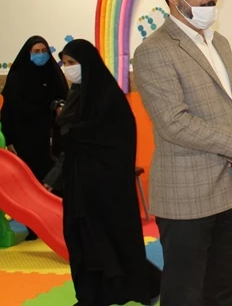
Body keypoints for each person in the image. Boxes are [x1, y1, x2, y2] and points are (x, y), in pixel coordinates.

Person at [132, 0, 232, 306]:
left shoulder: (219, 42)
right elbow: (174, 123)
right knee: (185, 294)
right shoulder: (154, 51)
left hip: (230, 190)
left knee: (222, 290)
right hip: (186, 195)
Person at [49, 39, 161, 306]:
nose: (67, 68)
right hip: (79, 184)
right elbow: (68, 139)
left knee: (110, 239)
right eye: (64, 63)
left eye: (72, 63)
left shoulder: (109, 97)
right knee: (81, 238)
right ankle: (91, 295)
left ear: (87, 63)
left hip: (105, 187)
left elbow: (116, 141)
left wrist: (75, 133)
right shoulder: (76, 95)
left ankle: (132, 286)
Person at [0, 35, 68, 239]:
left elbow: (65, 100)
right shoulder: (17, 77)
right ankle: (34, 227)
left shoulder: (53, 74)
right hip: (24, 140)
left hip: (50, 139)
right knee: (29, 184)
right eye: (36, 52)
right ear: (28, 53)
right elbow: (8, 112)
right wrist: (9, 140)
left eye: (44, 51)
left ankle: (59, 223)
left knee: (53, 179)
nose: (41, 55)